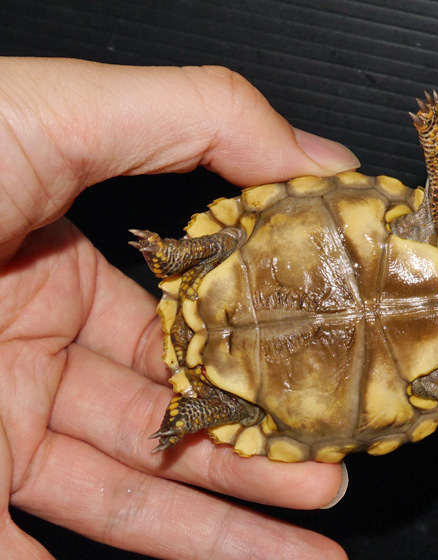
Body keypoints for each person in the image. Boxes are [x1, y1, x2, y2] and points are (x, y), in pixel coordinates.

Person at [0, 57, 357, 560]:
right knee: (237, 246)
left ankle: (201, 393)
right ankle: (177, 271)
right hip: (243, 291)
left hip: (228, 322)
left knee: (234, 256)